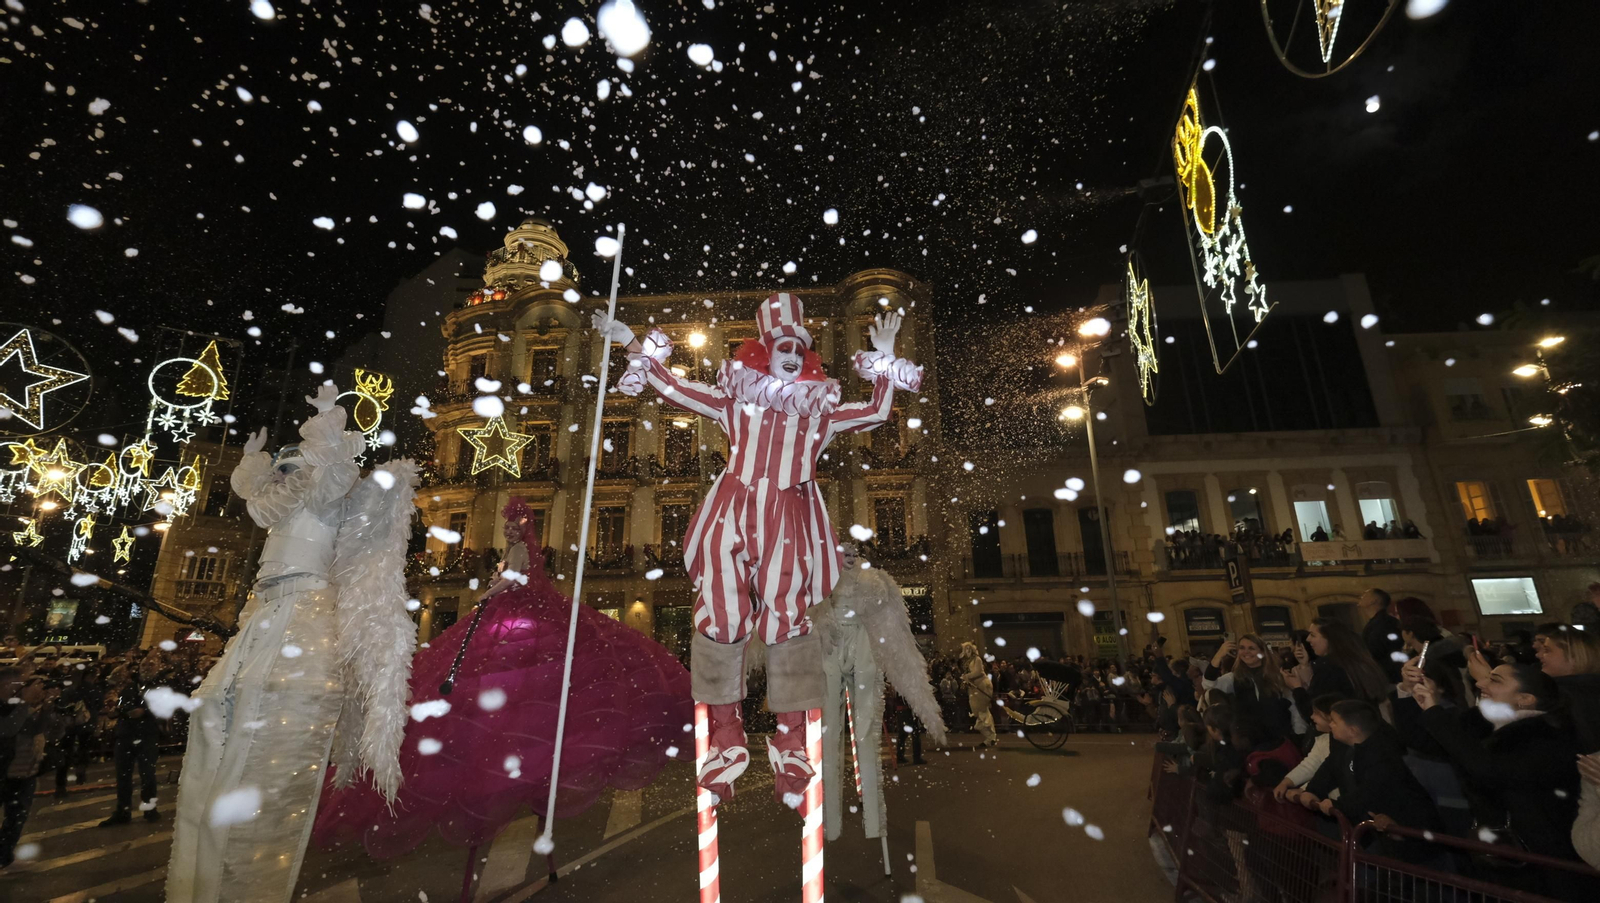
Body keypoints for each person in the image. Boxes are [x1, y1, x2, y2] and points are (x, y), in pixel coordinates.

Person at [596, 297, 920, 803]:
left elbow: (878, 412)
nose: (791, 356)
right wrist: (631, 343)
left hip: (789, 518)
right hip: (733, 510)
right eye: (782, 347)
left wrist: (884, 357)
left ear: (806, 360)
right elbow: (673, 387)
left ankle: (790, 740)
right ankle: (726, 734)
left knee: (787, 620)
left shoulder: (820, 415)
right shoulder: (734, 403)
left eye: (799, 349)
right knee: (722, 615)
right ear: (764, 354)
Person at [312, 498, 693, 859]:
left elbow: (513, 580)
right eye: (507, 527)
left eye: (514, 527)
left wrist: (487, 594)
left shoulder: (520, 552)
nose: (509, 532)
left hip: (517, 611)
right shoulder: (514, 550)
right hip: (510, 611)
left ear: (524, 530)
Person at [167, 388, 419, 903]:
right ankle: (201, 877)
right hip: (263, 612)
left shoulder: (327, 495)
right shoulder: (281, 506)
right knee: (212, 709)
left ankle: (244, 880)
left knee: (266, 737)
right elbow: (258, 501)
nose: (281, 476)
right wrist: (252, 463)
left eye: (289, 467)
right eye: (279, 469)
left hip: (304, 611)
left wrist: (328, 419)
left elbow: (336, 474)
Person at [1416, 662, 1599, 900]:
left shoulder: (1545, 738)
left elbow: (1487, 769)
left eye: (1495, 680)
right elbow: (1431, 742)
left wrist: (1434, 711)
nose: (1480, 682)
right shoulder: (1489, 726)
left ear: (1525, 699)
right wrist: (1423, 699)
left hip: (1545, 864)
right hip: (1512, 857)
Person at [813, 541, 945, 841]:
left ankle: (873, 822)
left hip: (861, 643)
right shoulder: (821, 578)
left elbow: (887, 617)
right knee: (828, 732)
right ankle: (831, 824)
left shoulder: (872, 579)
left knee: (866, 732)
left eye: (852, 554)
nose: (849, 559)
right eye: (843, 554)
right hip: (831, 646)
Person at [1202, 634, 1305, 740]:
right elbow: (1209, 684)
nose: (1246, 652)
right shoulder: (1234, 678)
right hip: (1249, 740)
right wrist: (1219, 655)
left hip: (1280, 738)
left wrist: (1299, 734)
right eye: (1242, 648)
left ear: (1262, 652)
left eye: (1251, 648)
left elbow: (1293, 707)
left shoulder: (1278, 676)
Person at [1288, 618, 1392, 721]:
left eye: (1313, 635)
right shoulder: (1356, 661)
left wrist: (1297, 687)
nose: (1308, 639)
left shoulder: (1329, 668)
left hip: (1348, 726)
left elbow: (1314, 713)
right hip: (1368, 724)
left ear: (1329, 638)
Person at [100, 658, 164, 827]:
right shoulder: (130, 686)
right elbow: (122, 705)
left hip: (147, 735)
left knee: (147, 774)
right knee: (123, 776)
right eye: (144, 664)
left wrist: (145, 712)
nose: (147, 667)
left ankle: (150, 809)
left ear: (158, 667)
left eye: (151, 664)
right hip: (126, 735)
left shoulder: (160, 686)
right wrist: (118, 711)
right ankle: (123, 811)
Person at [1359, 588, 1406, 683]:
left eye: (1365, 594)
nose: (1361, 597)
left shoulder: (1384, 624)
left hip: (1389, 677)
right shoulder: (1379, 622)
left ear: (1374, 601)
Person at [959, 642, 997, 746]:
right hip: (974, 688)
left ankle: (990, 737)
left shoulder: (977, 659)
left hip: (981, 686)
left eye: (969, 648)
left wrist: (967, 676)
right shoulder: (969, 661)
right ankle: (990, 737)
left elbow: (978, 672)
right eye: (966, 649)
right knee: (980, 712)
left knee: (982, 712)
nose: (967, 651)